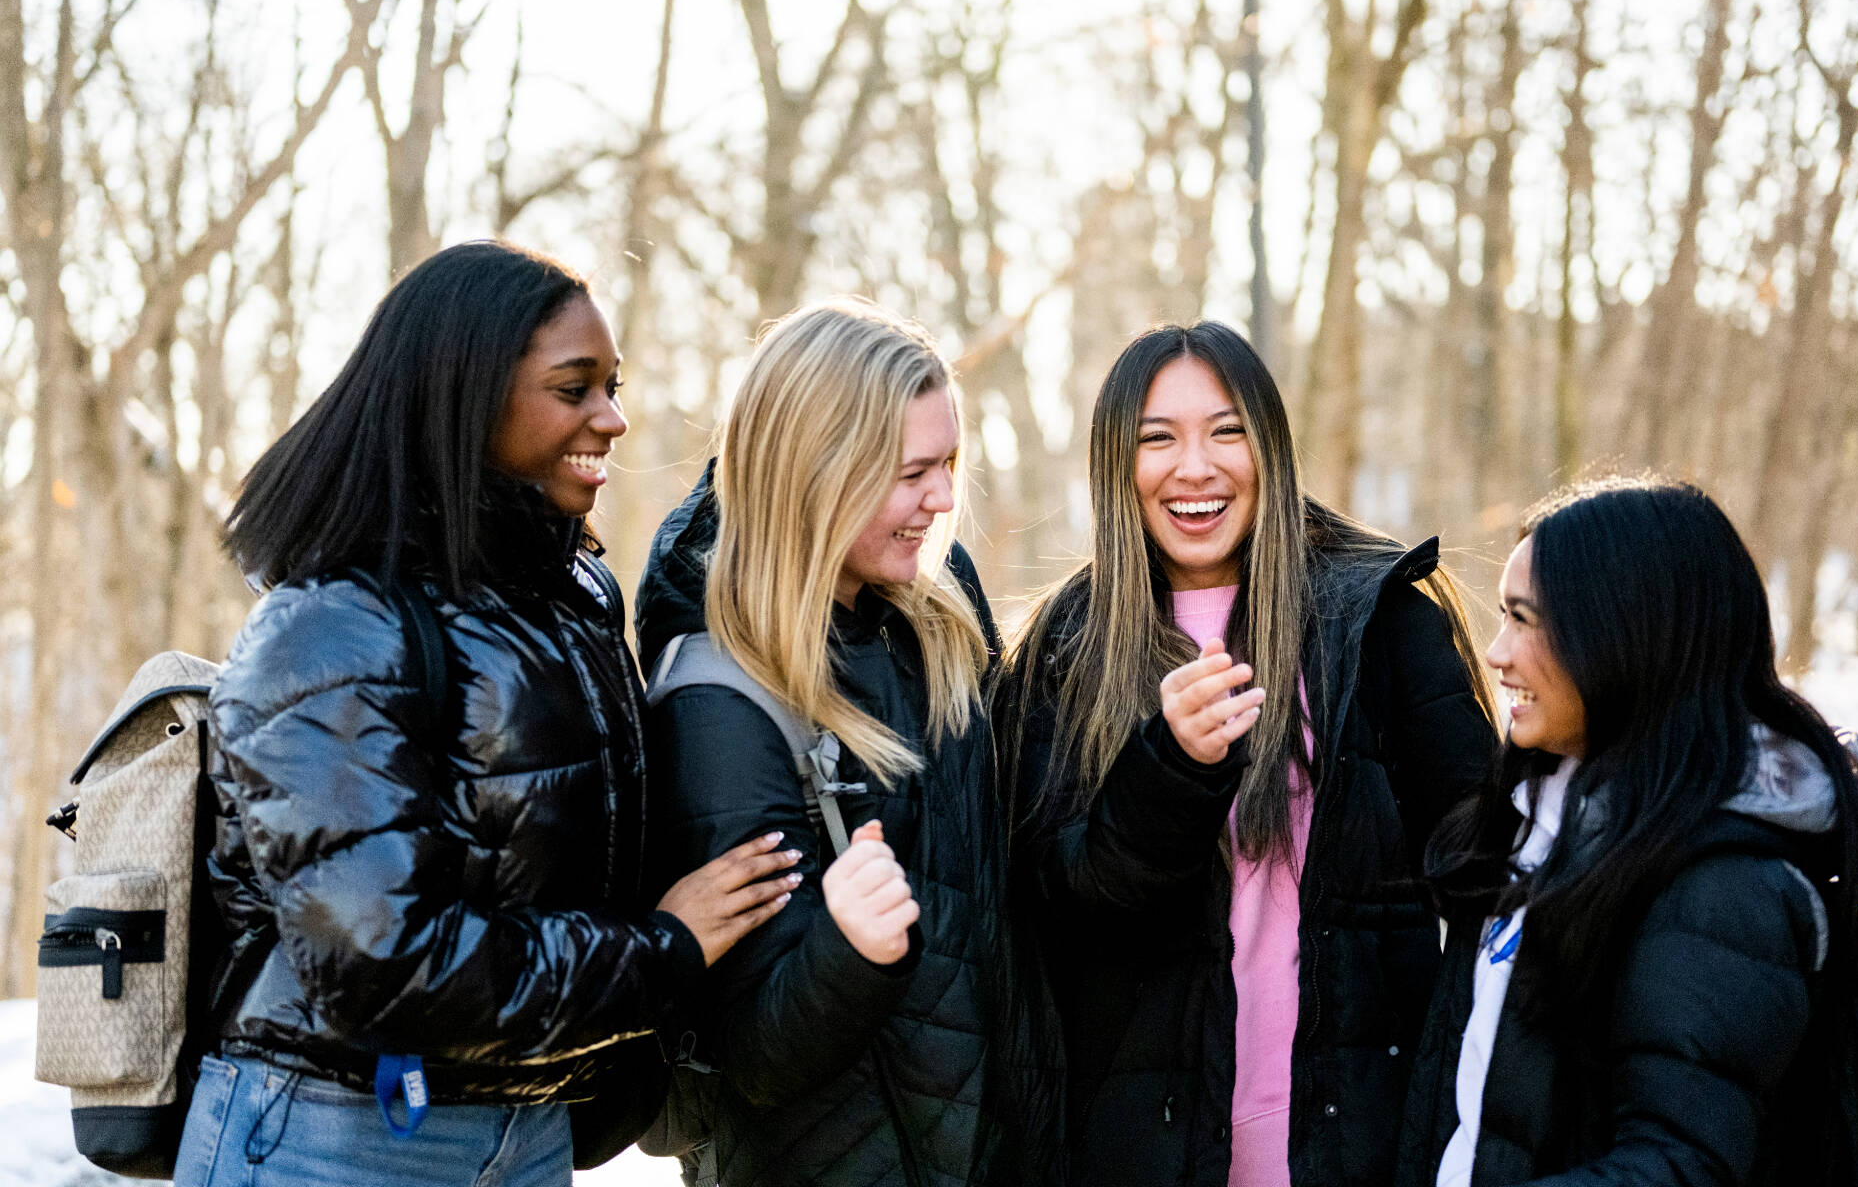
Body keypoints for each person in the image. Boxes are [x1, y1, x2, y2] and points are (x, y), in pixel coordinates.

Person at [177, 241, 796, 1187]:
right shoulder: (330, 630)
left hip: (524, 1132)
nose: (614, 419)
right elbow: (387, 963)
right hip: (335, 1137)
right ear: (461, 397)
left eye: (613, 385)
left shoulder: (573, 604)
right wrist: (663, 952)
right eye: (574, 388)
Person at [993, 321, 1496, 1187]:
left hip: (1357, 1145)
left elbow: (1485, 864)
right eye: (1159, 439)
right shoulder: (1063, 651)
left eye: (1226, 431)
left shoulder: (1379, 618)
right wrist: (1172, 771)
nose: (1196, 468)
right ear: (1119, 467)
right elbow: (1056, 899)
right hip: (1140, 1155)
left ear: (1271, 446)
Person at [635, 299, 1059, 1187]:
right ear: (819, 473)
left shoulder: (936, 607)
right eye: (913, 473)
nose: (943, 499)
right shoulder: (721, 703)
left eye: (947, 464)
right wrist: (850, 948)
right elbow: (751, 1055)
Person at [1396, 477, 1858, 1187]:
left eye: (1525, 619)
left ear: (1625, 635)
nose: (1497, 653)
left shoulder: (1724, 889)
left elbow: (1686, 1166)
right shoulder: (1531, 827)